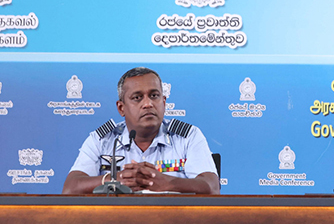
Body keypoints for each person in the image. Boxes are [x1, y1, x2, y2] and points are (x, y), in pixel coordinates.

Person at [62, 67, 219, 195]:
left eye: (154, 95)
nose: (148, 104)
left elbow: (212, 187)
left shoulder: (188, 136)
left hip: (174, 222)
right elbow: (70, 188)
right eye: (137, 98)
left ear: (164, 102)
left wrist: (168, 183)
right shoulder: (102, 140)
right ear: (121, 108)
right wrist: (114, 180)